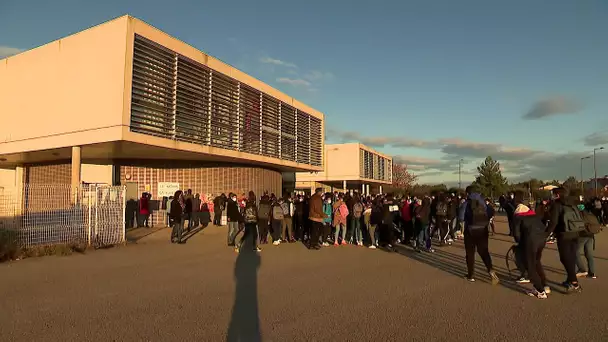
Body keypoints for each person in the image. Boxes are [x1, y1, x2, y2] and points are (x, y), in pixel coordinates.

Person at [512, 193, 551, 298]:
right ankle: (544, 284)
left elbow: (516, 233)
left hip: (530, 241)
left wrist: (520, 243)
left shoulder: (517, 215)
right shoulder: (532, 213)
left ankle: (540, 290)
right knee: (537, 261)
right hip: (541, 239)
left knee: (530, 265)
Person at [547, 187, 582, 293]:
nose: (552, 196)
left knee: (564, 258)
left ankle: (574, 282)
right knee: (571, 257)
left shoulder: (556, 205)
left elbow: (553, 222)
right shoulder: (571, 203)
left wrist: (545, 234)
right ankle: (569, 279)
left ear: (557, 195)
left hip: (564, 234)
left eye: (553, 194)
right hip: (575, 232)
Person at [463, 185, 499, 284]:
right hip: (483, 230)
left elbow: (461, 217)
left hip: (470, 231)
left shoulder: (466, 203)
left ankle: (471, 275)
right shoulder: (483, 202)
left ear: (467, 193)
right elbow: (491, 212)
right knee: (484, 251)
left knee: (470, 253)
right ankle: (490, 270)